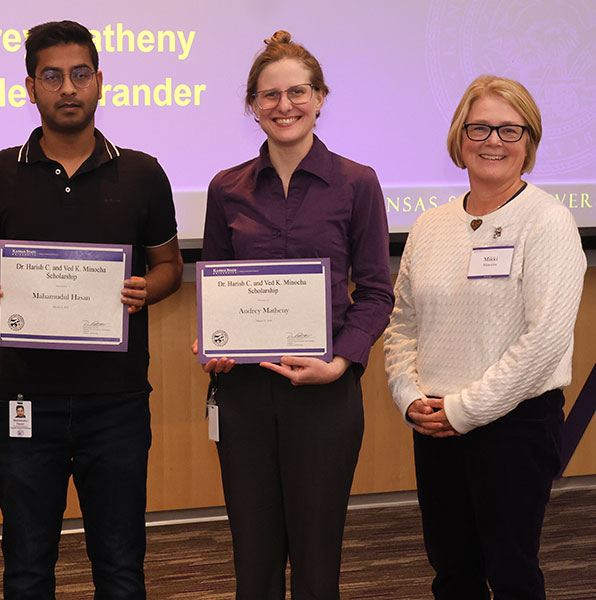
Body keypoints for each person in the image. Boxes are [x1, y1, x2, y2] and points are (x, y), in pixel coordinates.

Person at [0, 20, 182, 599]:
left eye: (80, 75)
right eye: (52, 76)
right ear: (30, 87)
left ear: (100, 82)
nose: (67, 89)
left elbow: (169, 267)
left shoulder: (142, 172)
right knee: (28, 569)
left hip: (117, 402)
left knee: (119, 566)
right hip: (24, 402)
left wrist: (145, 290)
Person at [197, 31, 394, 599]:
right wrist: (213, 341)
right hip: (245, 396)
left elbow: (377, 292)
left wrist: (341, 362)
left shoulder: (358, 184)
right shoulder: (225, 188)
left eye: (297, 92)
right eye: (269, 96)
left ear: (320, 97)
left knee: (316, 560)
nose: (284, 106)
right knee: (253, 561)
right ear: (253, 107)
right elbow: (216, 288)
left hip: (325, 396)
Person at [384, 75, 586, 599]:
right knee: (452, 574)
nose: (492, 141)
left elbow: (543, 339)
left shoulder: (548, 221)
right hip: (434, 424)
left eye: (509, 129)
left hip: (514, 425)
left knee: (513, 572)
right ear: (459, 137)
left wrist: (465, 409)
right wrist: (410, 398)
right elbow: (403, 321)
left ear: (529, 143)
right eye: (479, 128)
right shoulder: (429, 227)